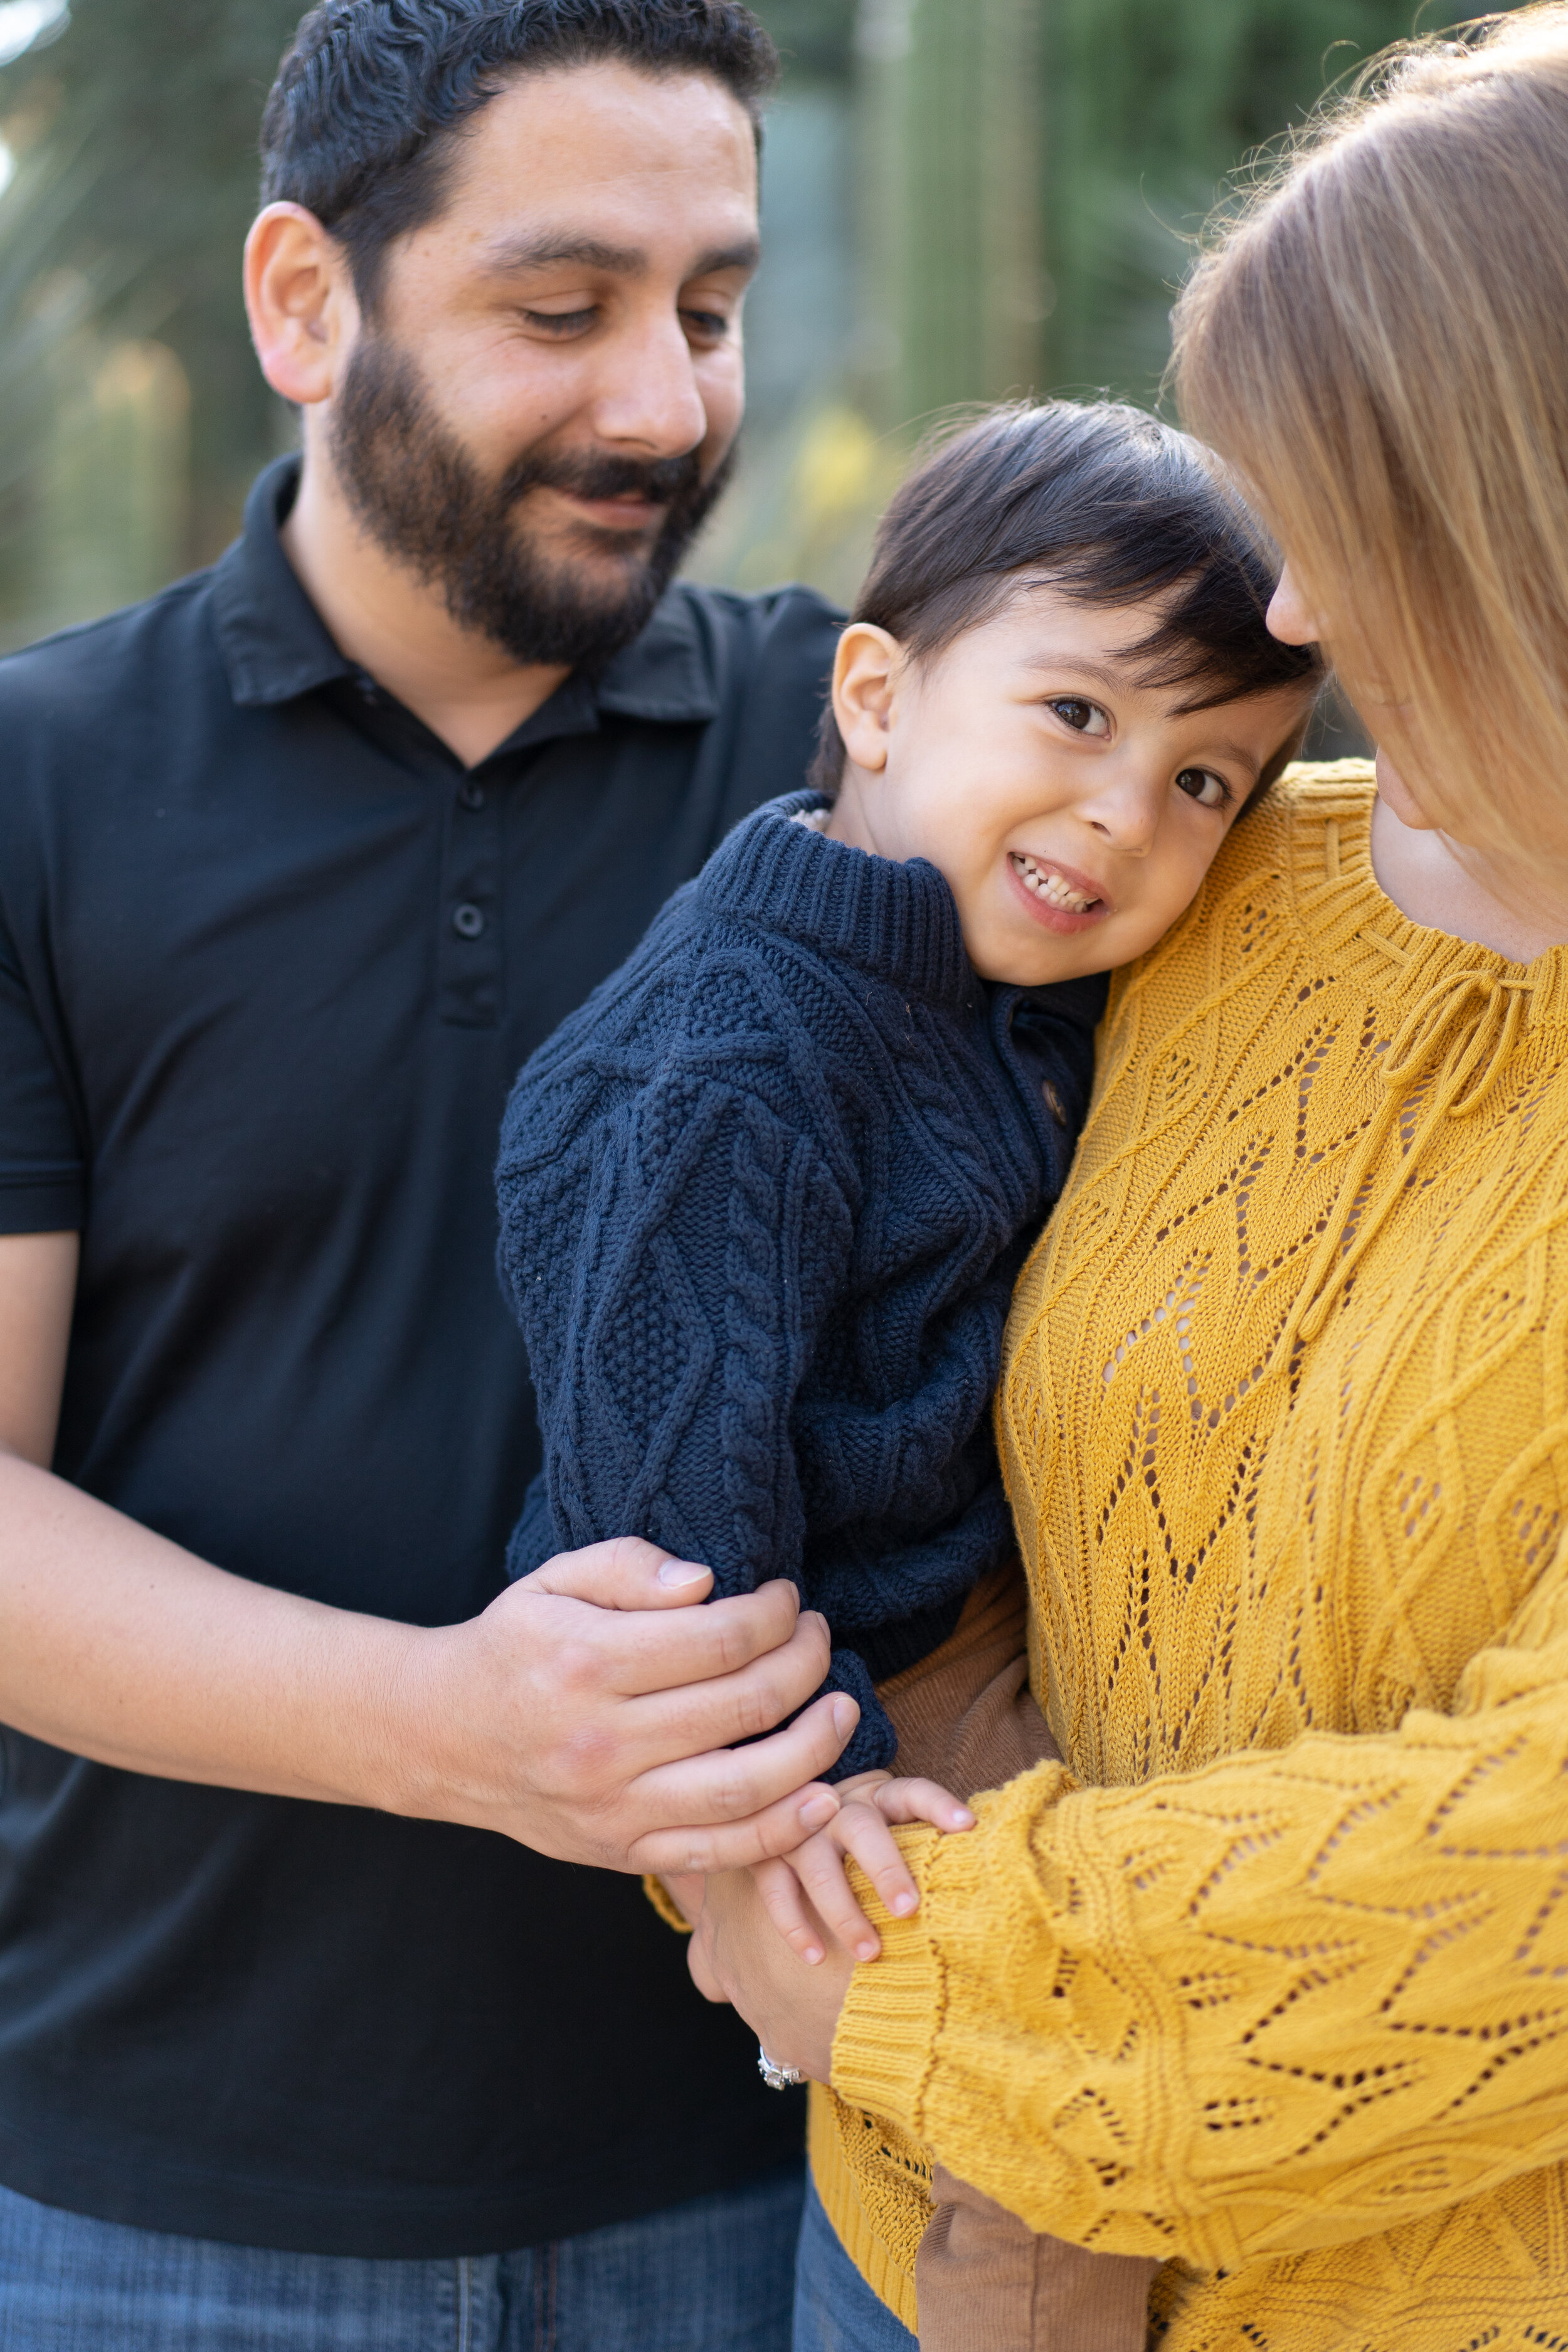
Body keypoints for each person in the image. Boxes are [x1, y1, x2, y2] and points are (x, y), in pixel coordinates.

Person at [679, 9, 1568, 2349]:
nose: (1284, 625)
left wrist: (844, 1951)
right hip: (906, 2251)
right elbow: (857, 1358)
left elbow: (1529, 1891)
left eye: (1335, 520)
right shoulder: (1192, 896)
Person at [0, 4, 869, 2345]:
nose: (665, 406)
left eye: (708, 308)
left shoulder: (864, 768)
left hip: (796, 2169)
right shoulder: (32, 788)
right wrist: (461, 1732)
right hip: (152, 2205)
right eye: (559, 310)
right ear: (306, 301)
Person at [495, 396, 1320, 2352]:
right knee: (1066, 2061)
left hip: (964, 1598)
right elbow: (664, 1512)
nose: (1132, 811)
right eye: (1078, 718)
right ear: (875, 695)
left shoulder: (975, 976)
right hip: (812, 1650)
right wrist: (811, 1797)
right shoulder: (736, 1066)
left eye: (1210, 780)